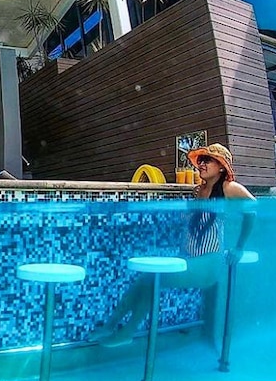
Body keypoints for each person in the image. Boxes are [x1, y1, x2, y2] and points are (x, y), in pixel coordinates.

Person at [91, 143, 255, 347]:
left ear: (221, 167)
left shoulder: (229, 188)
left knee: (151, 278)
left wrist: (239, 246)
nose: (201, 165)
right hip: (191, 260)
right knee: (147, 279)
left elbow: (253, 209)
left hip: (209, 265)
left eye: (208, 161)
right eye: (201, 161)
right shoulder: (199, 191)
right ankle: (114, 326)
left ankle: (124, 330)